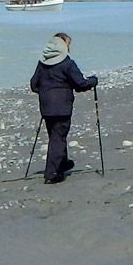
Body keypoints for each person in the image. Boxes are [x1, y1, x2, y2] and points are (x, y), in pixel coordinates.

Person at [29, 32, 98, 184]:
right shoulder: (67, 63)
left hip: (46, 106)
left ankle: (63, 163)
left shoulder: (42, 63)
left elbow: (34, 85)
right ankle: (52, 174)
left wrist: (46, 92)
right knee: (58, 137)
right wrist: (93, 81)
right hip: (62, 106)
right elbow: (80, 84)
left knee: (56, 135)